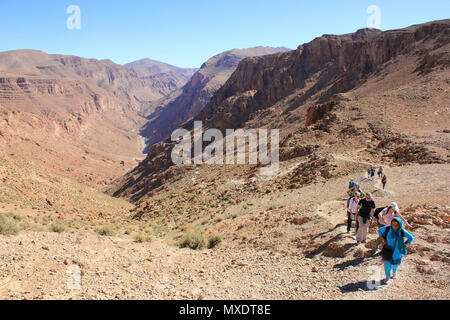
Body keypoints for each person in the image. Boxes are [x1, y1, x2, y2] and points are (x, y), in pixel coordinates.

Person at [378, 217, 414, 284]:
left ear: (400, 225)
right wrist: (383, 239)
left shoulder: (402, 231)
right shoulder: (388, 228)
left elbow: (411, 237)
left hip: (397, 252)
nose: (394, 227)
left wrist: (404, 244)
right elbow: (379, 230)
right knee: (387, 264)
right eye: (393, 224)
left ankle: (394, 272)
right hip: (387, 250)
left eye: (396, 225)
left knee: (395, 264)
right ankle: (387, 277)